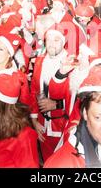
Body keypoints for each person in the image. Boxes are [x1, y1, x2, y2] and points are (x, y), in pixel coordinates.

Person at [30, 26, 69, 162]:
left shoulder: (71, 63)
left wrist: (58, 104)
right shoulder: (40, 61)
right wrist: (34, 120)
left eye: (56, 39)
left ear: (64, 42)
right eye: (48, 40)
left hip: (63, 125)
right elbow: (35, 90)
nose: (51, 43)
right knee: (47, 162)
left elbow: (78, 100)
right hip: (43, 126)